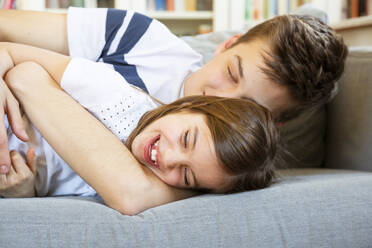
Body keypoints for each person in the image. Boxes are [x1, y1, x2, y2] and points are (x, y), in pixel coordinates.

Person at [0, 8, 348, 174]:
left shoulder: (210, 169)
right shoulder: (140, 38)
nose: (218, 100)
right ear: (228, 44)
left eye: (246, 106)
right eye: (231, 72)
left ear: (272, 126)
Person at [0, 48, 281, 215]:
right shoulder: (114, 96)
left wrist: (25, 192)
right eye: (186, 139)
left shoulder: (145, 182)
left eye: (186, 175)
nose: (169, 158)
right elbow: (13, 58)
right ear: (190, 106)